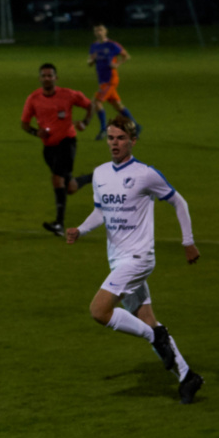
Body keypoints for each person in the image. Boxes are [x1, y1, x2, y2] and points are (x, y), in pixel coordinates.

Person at [65, 115, 204, 404]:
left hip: (138, 258)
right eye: (111, 138)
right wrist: (81, 229)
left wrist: (188, 241)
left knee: (99, 311)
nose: (114, 143)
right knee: (146, 318)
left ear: (133, 141)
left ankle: (156, 337)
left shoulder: (145, 174)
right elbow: (101, 211)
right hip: (117, 259)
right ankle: (187, 377)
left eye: (121, 138)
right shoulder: (101, 173)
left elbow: (179, 202)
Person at [21, 63, 95, 237]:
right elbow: (24, 123)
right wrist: (35, 132)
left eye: (50, 75)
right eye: (44, 76)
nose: (47, 78)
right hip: (48, 148)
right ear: (40, 78)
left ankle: (59, 224)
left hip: (67, 142)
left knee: (57, 179)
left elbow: (90, 105)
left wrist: (85, 122)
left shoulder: (68, 95)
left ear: (56, 78)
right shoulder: (33, 98)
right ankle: (94, 176)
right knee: (69, 187)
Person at [88, 24, 141, 141]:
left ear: (105, 31)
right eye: (96, 30)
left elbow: (126, 56)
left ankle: (103, 129)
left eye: (100, 30)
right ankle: (136, 126)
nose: (98, 32)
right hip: (102, 80)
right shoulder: (94, 46)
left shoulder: (112, 45)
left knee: (96, 102)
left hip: (110, 80)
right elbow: (90, 62)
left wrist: (117, 64)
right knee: (118, 106)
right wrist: (92, 60)